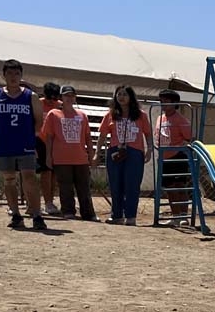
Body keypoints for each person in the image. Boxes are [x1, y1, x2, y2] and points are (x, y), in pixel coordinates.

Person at [0, 59, 46, 230]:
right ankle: (16, 214)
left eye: (17, 73)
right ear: (4, 75)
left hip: (25, 143)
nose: (13, 77)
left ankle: (37, 215)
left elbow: (38, 121)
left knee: (29, 177)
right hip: (4, 143)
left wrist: (30, 138)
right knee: (9, 179)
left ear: (21, 76)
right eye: (10, 73)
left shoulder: (31, 96)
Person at [97, 85, 152, 225]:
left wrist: (149, 150)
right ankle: (116, 215)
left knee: (132, 185)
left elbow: (148, 134)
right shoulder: (110, 114)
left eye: (125, 94)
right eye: (119, 94)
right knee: (115, 185)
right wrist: (97, 153)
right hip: (115, 152)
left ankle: (131, 216)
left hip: (134, 153)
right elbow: (102, 135)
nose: (121, 97)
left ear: (131, 97)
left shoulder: (141, 115)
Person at [41, 86, 96, 221]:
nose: (69, 98)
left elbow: (88, 137)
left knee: (84, 187)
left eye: (72, 95)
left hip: (80, 158)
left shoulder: (82, 115)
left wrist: (91, 154)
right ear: (61, 98)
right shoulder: (53, 114)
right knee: (65, 187)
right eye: (66, 95)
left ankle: (88, 213)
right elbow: (49, 137)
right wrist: (48, 156)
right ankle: (68, 211)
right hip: (61, 158)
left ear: (75, 97)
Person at [155, 90, 194, 222]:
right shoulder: (160, 119)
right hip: (164, 157)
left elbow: (189, 138)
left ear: (174, 103)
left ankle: (183, 216)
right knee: (169, 188)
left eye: (166, 101)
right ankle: (175, 216)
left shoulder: (181, 120)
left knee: (180, 186)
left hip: (177, 155)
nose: (163, 104)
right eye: (161, 101)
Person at [37, 82, 62, 215]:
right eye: (49, 98)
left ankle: (51, 201)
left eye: (55, 98)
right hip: (40, 141)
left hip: (56, 142)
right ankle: (46, 202)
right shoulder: (38, 104)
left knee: (54, 174)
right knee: (45, 172)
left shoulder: (60, 106)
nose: (52, 101)